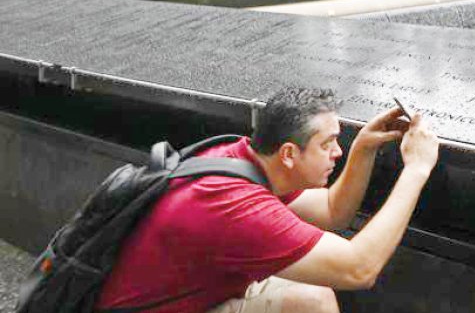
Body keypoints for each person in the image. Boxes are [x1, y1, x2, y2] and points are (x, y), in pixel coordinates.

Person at [96, 87, 439, 313]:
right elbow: (359, 269)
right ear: (289, 153)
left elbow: (333, 211)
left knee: (310, 299)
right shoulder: (238, 208)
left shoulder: (240, 157)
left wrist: (364, 149)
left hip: (179, 299)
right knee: (311, 306)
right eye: (328, 144)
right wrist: (417, 170)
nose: (338, 152)